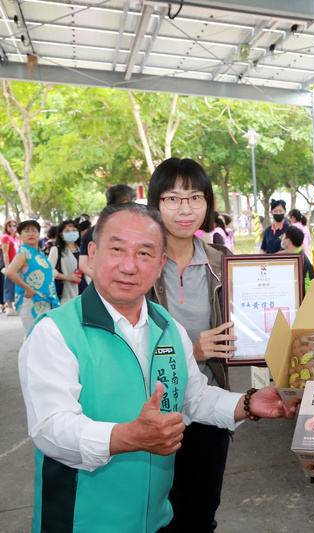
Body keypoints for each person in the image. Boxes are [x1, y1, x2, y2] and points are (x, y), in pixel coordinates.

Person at [18, 202, 295, 533]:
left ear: (161, 263)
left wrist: (248, 403)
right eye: (117, 249)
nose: (129, 266)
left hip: (156, 521)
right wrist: (126, 436)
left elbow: (195, 398)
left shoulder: (168, 328)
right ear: (92, 254)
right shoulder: (56, 331)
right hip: (79, 521)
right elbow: (51, 428)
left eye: (145, 254)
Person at [145, 158, 237, 533]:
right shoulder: (140, 263)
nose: (185, 209)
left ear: (208, 203)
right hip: (150, 407)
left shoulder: (223, 262)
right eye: (172, 198)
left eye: (195, 197)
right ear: (156, 203)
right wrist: (192, 352)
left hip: (207, 407)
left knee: (199, 513)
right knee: (154, 514)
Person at [5, 219, 60, 333]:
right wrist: (27, 288)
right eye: (26, 231)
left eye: (34, 231)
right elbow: (10, 272)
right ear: (20, 236)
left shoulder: (39, 253)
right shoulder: (23, 252)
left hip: (45, 301)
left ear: (39, 234)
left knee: (42, 338)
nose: (30, 233)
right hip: (31, 302)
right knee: (32, 337)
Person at [79, 184, 137, 279]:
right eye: (134, 201)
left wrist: (102, 279)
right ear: (127, 202)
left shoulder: (91, 231)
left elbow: (82, 264)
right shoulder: (135, 230)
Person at [48, 219, 86, 304]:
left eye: (74, 230)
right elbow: (48, 270)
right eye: (67, 231)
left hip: (84, 290)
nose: (71, 232)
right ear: (61, 235)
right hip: (66, 293)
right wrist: (67, 277)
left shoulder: (83, 249)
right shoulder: (56, 250)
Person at [280, 225, 314, 293]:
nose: (282, 239)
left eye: (283, 237)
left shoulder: (301, 261)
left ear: (288, 240)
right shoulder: (295, 256)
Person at [2, 218, 20, 315]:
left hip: (17, 262)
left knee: (16, 284)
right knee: (9, 284)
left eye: (14, 225)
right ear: (6, 227)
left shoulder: (15, 238)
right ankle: (10, 307)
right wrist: (8, 266)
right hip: (10, 262)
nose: (12, 228)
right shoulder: (6, 237)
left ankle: (15, 305)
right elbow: (5, 253)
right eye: (10, 226)